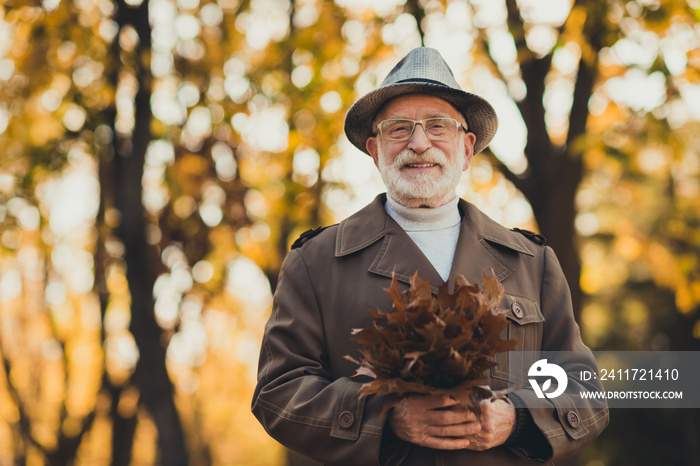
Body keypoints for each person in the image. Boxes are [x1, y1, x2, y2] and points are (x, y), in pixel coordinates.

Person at [252, 47, 608, 466]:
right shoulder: (315, 263)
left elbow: (583, 391)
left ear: (467, 147)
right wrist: (386, 419)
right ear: (375, 149)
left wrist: (519, 420)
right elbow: (279, 391)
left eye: (438, 126)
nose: (419, 143)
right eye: (398, 129)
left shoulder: (533, 261)